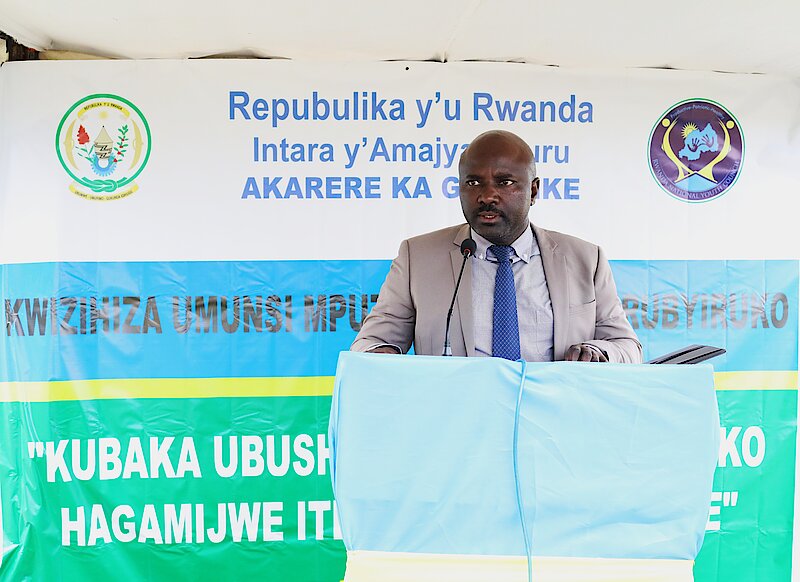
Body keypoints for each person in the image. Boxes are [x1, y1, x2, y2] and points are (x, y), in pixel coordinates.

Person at [351, 130, 642, 363]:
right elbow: (372, 340)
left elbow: (627, 347)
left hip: (552, 416)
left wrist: (599, 352)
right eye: (473, 183)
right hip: (457, 416)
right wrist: (379, 355)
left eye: (504, 182)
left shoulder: (585, 259)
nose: (487, 196)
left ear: (533, 191)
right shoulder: (418, 258)